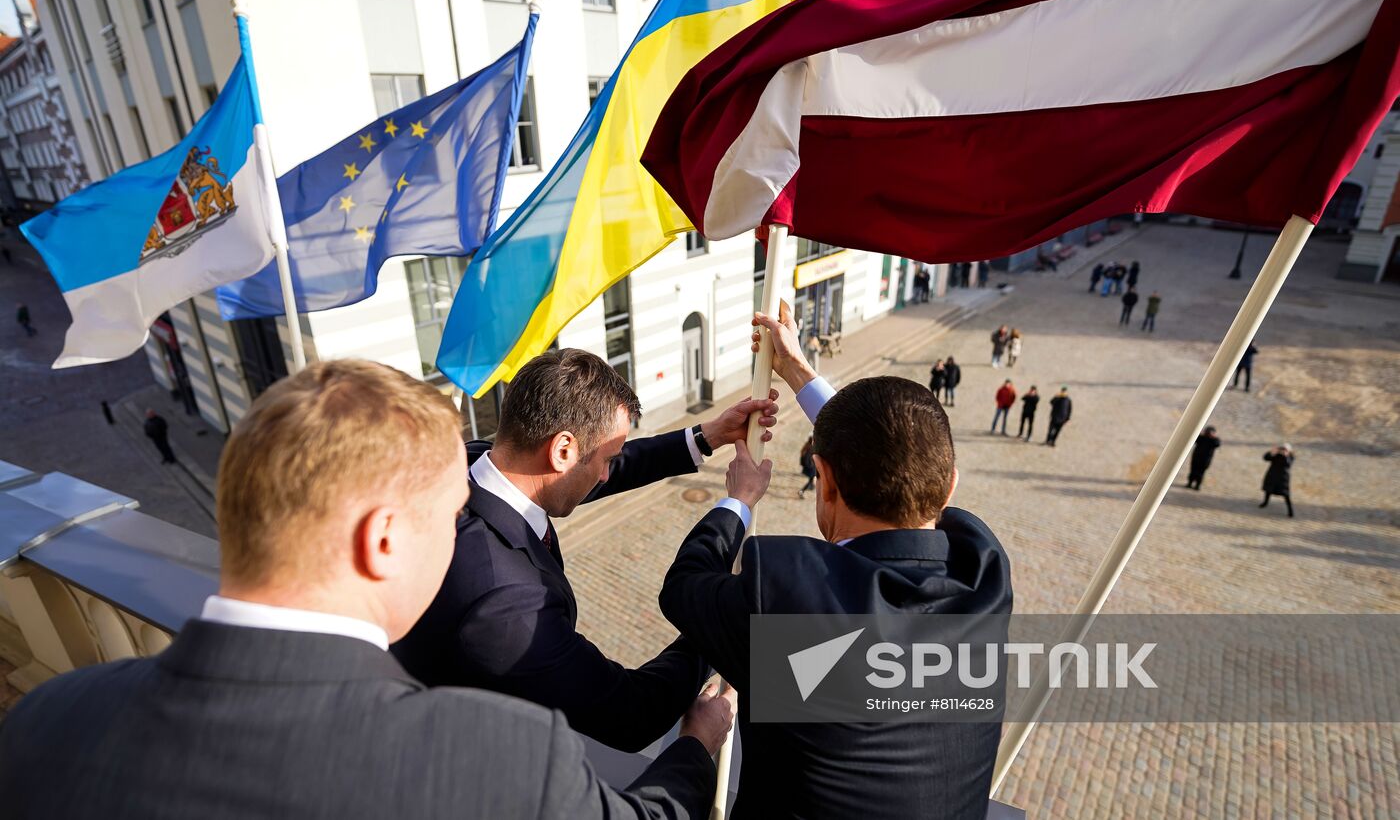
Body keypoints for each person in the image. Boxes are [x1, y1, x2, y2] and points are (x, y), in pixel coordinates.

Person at [0, 360, 732, 819]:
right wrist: (701, 728)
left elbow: (559, 474)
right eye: (450, 516)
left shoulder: (46, 715)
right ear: (381, 539)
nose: (464, 529)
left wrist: (698, 438)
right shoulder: (496, 758)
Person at [658, 301, 1012, 819]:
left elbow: (683, 586)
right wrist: (799, 372)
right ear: (951, 484)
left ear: (823, 482)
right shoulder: (984, 576)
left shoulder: (790, 607)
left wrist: (739, 500)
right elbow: (897, 459)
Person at [392, 348, 776, 753]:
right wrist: (718, 625)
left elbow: (583, 470)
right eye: (609, 460)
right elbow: (631, 713)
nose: (608, 473)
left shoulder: (470, 463)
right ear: (562, 450)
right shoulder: (508, 601)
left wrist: (705, 437)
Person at [1260, 445, 1295, 517]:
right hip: (1272, 475)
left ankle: (1290, 510)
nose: (1282, 450)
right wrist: (1272, 452)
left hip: (1283, 478)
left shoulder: (1290, 456)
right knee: (1268, 489)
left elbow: (1288, 464)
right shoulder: (1276, 454)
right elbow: (1266, 458)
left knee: (1285, 494)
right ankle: (1265, 502)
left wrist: (1286, 456)